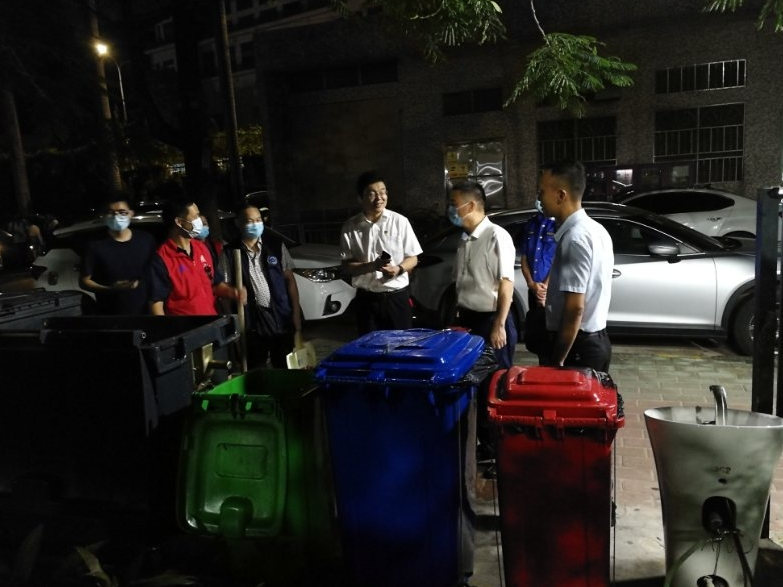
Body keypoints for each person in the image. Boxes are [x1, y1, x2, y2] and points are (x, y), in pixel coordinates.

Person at [539, 160, 614, 372]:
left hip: (578, 348)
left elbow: (575, 308)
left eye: (542, 192)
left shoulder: (574, 238)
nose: (539, 198)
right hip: (593, 340)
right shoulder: (597, 229)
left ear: (561, 195)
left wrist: (558, 359)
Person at [340, 170, 422, 335]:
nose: (379, 198)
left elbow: (413, 258)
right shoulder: (350, 227)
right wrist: (372, 266)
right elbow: (347, 266)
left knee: (401, 345)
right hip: (366, 300)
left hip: (397, 298)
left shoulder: (400, 222)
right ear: (360, 198)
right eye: (372, 194)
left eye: (382, 192)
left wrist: (398, 269)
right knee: (370, 346)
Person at [223, 204, 304, 369]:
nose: (255, 224)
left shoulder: (275, 246)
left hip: (281, 316)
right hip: (252, 322)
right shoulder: (229, 253)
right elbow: (224, 292)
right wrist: (232, 323)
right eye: (249, 221)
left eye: (258, 220)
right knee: (256, 368)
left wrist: (295, 314)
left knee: (285, 367)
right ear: (238, 223)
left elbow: (290, 280)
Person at [450, 180, 517, 369]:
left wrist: (499, 325)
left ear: (470, 206)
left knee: (495, 378)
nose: (451, 210)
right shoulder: (464, 239)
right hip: (468, 320)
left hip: (491, 321)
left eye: (454, 204)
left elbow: (506, 283)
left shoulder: (496, 236)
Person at [148, 198, 243, 316]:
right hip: (186, 326)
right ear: (179, 222)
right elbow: (156, 304)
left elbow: (215, 284)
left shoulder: (202, 248)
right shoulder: (162, 259)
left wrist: (232, 292)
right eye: (195, 217)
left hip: (211, 322)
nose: (200, 220)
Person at [79, 196, 157, 314]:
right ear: (105, 216)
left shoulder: (146, 240)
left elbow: (156, 274)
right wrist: (111, 289)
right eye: (111, 213)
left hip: (145, 313)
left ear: (131, 213)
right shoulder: (95, 245)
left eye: (122, 212)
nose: (117, 217)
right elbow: (84, 282)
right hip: (111, 315)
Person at [520, 199, 557, 363]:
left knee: (552, 335)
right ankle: (542, 367)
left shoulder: (558, 225)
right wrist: (531, 284)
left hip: (552, 290)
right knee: (538, 334)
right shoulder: (530, 224)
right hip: (534, 289)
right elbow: (524, 257)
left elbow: (559, 259)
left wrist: (545, 287)